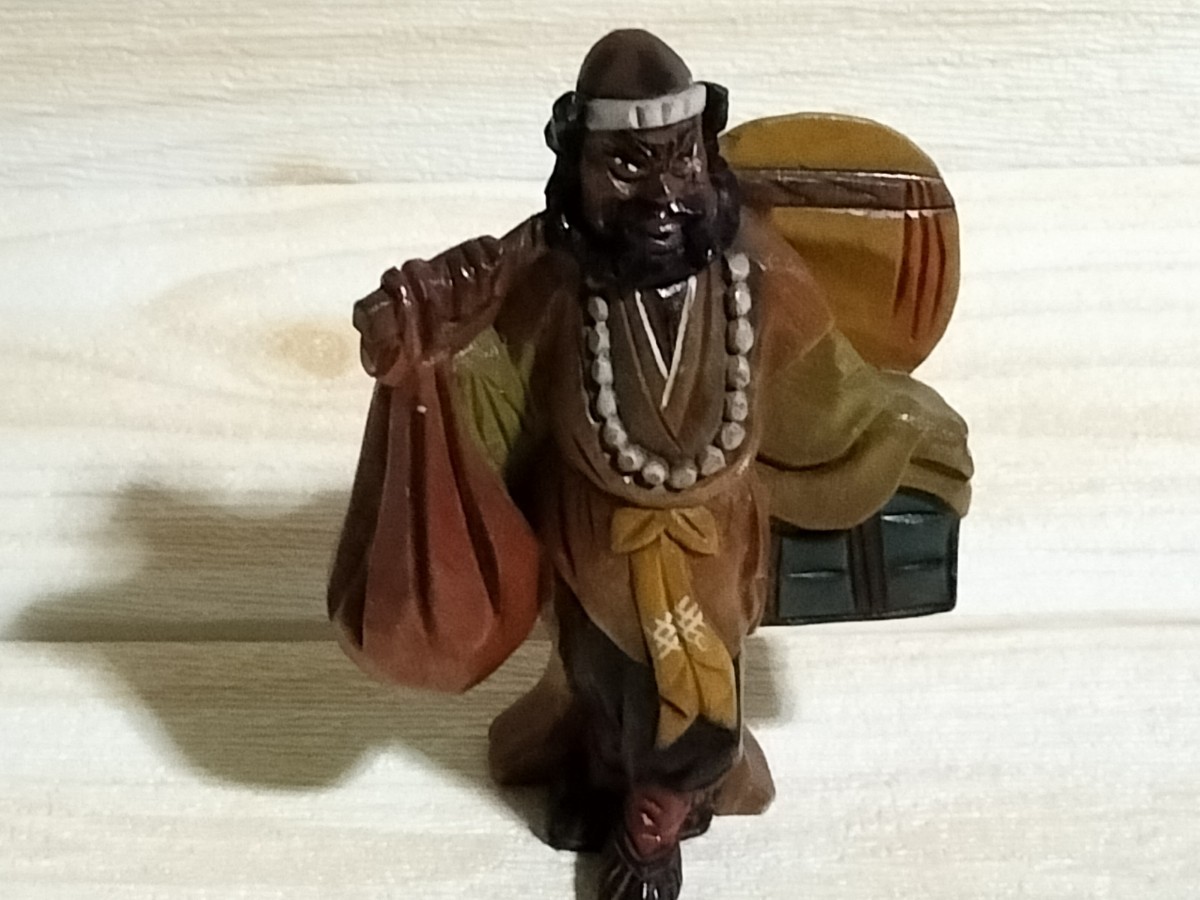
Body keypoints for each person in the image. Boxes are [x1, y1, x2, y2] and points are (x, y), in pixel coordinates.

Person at [330, 29, 972, 900]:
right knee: (600, 685)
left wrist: (907, 432)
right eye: (628, 166)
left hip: (713, 554)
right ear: (577, 168)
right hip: (588, 552)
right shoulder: (551, 283)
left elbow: (830, 398)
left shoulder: (760, 275)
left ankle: (654, 833)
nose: (663, 194)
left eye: (681, 160)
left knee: (692, 713)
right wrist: (428, 353)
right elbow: (492, 403)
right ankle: (600, 776)